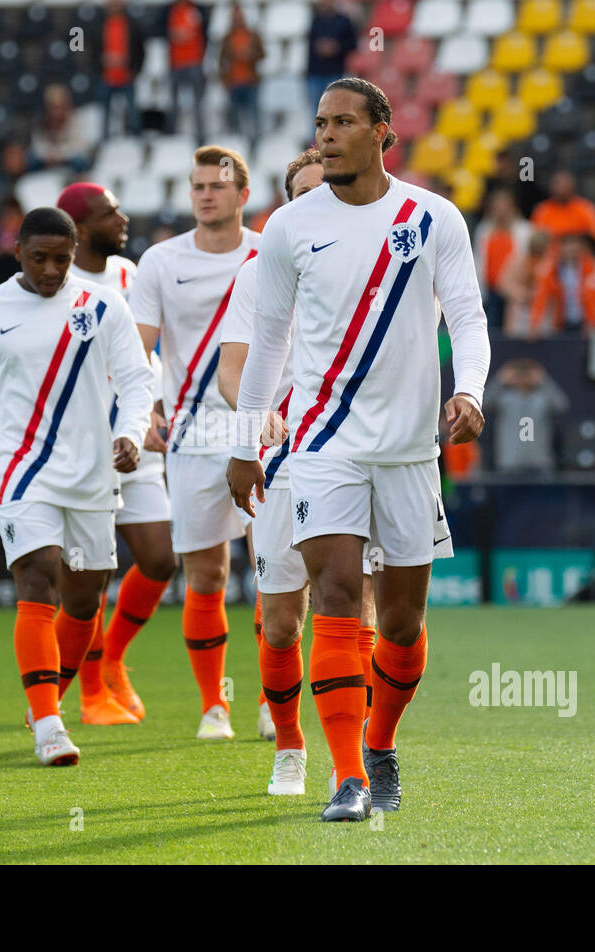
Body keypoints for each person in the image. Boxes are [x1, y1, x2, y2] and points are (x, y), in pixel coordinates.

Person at [227, 78, 489, 821]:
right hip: (320, 444)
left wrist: (470, 390)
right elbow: (270, 341)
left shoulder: (432, 218)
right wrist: (246, 439)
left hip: (408, 449)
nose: (327, 134)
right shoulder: (287, 226)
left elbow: (467, 318)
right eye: (320, 123)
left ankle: (379, 740)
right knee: (338, 592)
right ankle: (347, 776)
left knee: (401, 622)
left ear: (383, 132)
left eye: (344, 121)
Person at [0, 207, 155, 767]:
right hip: (22, 472)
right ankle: (49, 726)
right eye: (39, 258)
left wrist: (130, 433)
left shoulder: (103, 305)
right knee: (39, 575)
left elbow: (137, 382)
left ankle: (48, 697)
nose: (51, 270)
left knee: (84, 595)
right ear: (17, 252)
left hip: (94, 475)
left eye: (62, 259)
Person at [218, 146, 381, 795]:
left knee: (357, 603)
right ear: (287, 204)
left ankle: (359, 753)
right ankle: (289, 745)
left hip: (351, 453)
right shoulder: (260, 272)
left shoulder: (376, 259)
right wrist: (256, 421)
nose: (319, 200)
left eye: (329, 187)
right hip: (282, 457)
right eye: (305, 192)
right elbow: (234, 367)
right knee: (283, 618)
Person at [130, 145, 260, 742]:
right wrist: (146, 405)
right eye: (198, 185)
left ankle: (269, 697)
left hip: (264, 423)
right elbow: (139, 349)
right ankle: (215, 706)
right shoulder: (160, 260)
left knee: (276, 565)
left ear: (243, 194)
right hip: (191, 427)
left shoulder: (267, 252)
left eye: (218, 185)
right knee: (205, 572)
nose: (206, 194)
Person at [57, 182, 174, 725]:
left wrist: (155, 408)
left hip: (138, 443)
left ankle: (114, 661)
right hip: (84, 450)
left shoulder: (131, 274)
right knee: (91, 574)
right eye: (110, 212)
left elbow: (152, 353)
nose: (123, 217)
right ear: (80, 228)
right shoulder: (57, 282)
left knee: (158, 559)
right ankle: (85, 693)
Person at [484, 358, 568, 473]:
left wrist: (544, 380)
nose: (523, 378)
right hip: (509, 464)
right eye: (519, 374)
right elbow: (483, 403)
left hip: (540, 463)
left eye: (527, 374)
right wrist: (500, 380)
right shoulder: (504, 398)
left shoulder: (542, 399)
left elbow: (562, 404)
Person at [472, 188, 532, 329]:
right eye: (497, 207)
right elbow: (479, 260)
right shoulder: (484, 230)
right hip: (491, 291)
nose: (501, 211)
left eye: (505, 206)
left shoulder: (525, 230)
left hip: (515, 291)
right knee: (491, 329)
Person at [528, 231, 595, 334]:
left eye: (574, 243)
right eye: (567, 244)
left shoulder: (590, 268)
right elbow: (541, 295)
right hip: (560, 322)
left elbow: (594, 297)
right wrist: (535, 323)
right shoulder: (551, 269)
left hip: (582, 322)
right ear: (561, 247)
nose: (571, 248)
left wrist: (593, 322)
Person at [219, 3, 265, 146]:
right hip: (234, 82)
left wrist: (250, 55)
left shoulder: (252, 35)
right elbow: (221, 61)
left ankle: (255, 146)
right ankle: (237, 145)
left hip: (250, 81)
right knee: (234, 119)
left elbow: (262, 55)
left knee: (253, 117)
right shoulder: (227, 38)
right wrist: (224, 80)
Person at [164, 0, 208, 144]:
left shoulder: (196, 11)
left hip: (193, 62)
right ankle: (172, 136)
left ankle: (200, 137)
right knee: (173, 103)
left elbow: (193, 33)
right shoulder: (170, 11)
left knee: (198, 103)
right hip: (176, 63)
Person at [100, 0, 145, 137]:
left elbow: (140, 51)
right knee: (105, 114)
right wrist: (102, 60)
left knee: (132, 113)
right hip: (106, 77)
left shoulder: (133, 24)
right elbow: (92, 48)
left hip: (127, 76)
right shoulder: (100, 24)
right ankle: (104, 142)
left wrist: (134, 71)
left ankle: (136, 141)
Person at [529, 170, 595, 249]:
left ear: (572, 186)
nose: (557, 188)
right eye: (555, 184)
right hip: (551, 255)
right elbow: (535, 239)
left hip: (580, 255)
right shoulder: (542, 210)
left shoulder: (586, 208)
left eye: (562, 185)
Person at [306, 0, 356, 116]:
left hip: (335, 72)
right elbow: (310, 45)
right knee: (316, 109)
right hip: (315, 72)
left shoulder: (344, 21)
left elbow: (353, 44)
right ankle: (317, 134)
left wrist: (336, 47)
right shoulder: (315, 20)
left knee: (335, 108)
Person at [28, 83, 91, 173]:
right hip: (48, 159)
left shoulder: (76, 118)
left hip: (69, 159)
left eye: (60, 107)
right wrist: (49, 154)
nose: (57, 112)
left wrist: (59, 154)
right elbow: (38, 146)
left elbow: (80, 146)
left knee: (80, 161)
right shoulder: (40, 120)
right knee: (32, 160)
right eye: (53, 107)